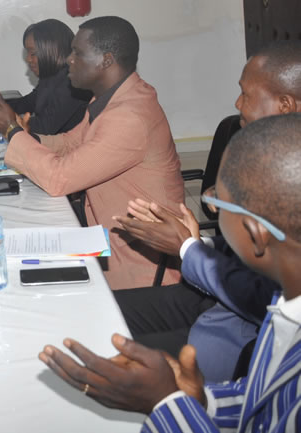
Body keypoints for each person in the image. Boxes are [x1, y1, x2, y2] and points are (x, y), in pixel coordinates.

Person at [38, 113, 301, 432]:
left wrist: (165, 403)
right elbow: (260, 403)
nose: (211, 207)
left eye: (217, 201)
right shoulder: (287, 307)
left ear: (255, 234)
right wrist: (202, 401)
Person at [110, 41, 301, 381]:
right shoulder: (265, 154)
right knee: (99, 309)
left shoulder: (290, 173)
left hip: (238, 333)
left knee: (107, 355)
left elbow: (268, 297)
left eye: (246, 94)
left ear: (285, 105)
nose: (237, 103)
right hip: (213, 295)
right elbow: (252, 250)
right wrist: (196, 241)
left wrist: (187, 248)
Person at [0, 16, 185, 290]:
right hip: (104, 232)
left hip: (141, 266)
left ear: (106, 60)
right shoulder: (112, 97)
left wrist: (11, 130)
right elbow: (69, 143)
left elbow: (59, 179)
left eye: (77, 53)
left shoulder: (129, 116)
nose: (68, 60)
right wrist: (25, 134)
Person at [6, 19, 92, 135]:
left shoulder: (73, 82)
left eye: (33, 53)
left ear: (54, 50)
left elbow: (45, 126)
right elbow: (27, 103)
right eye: (27, 53)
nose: (28, 59)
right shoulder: (49, 78)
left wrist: (7, 121)